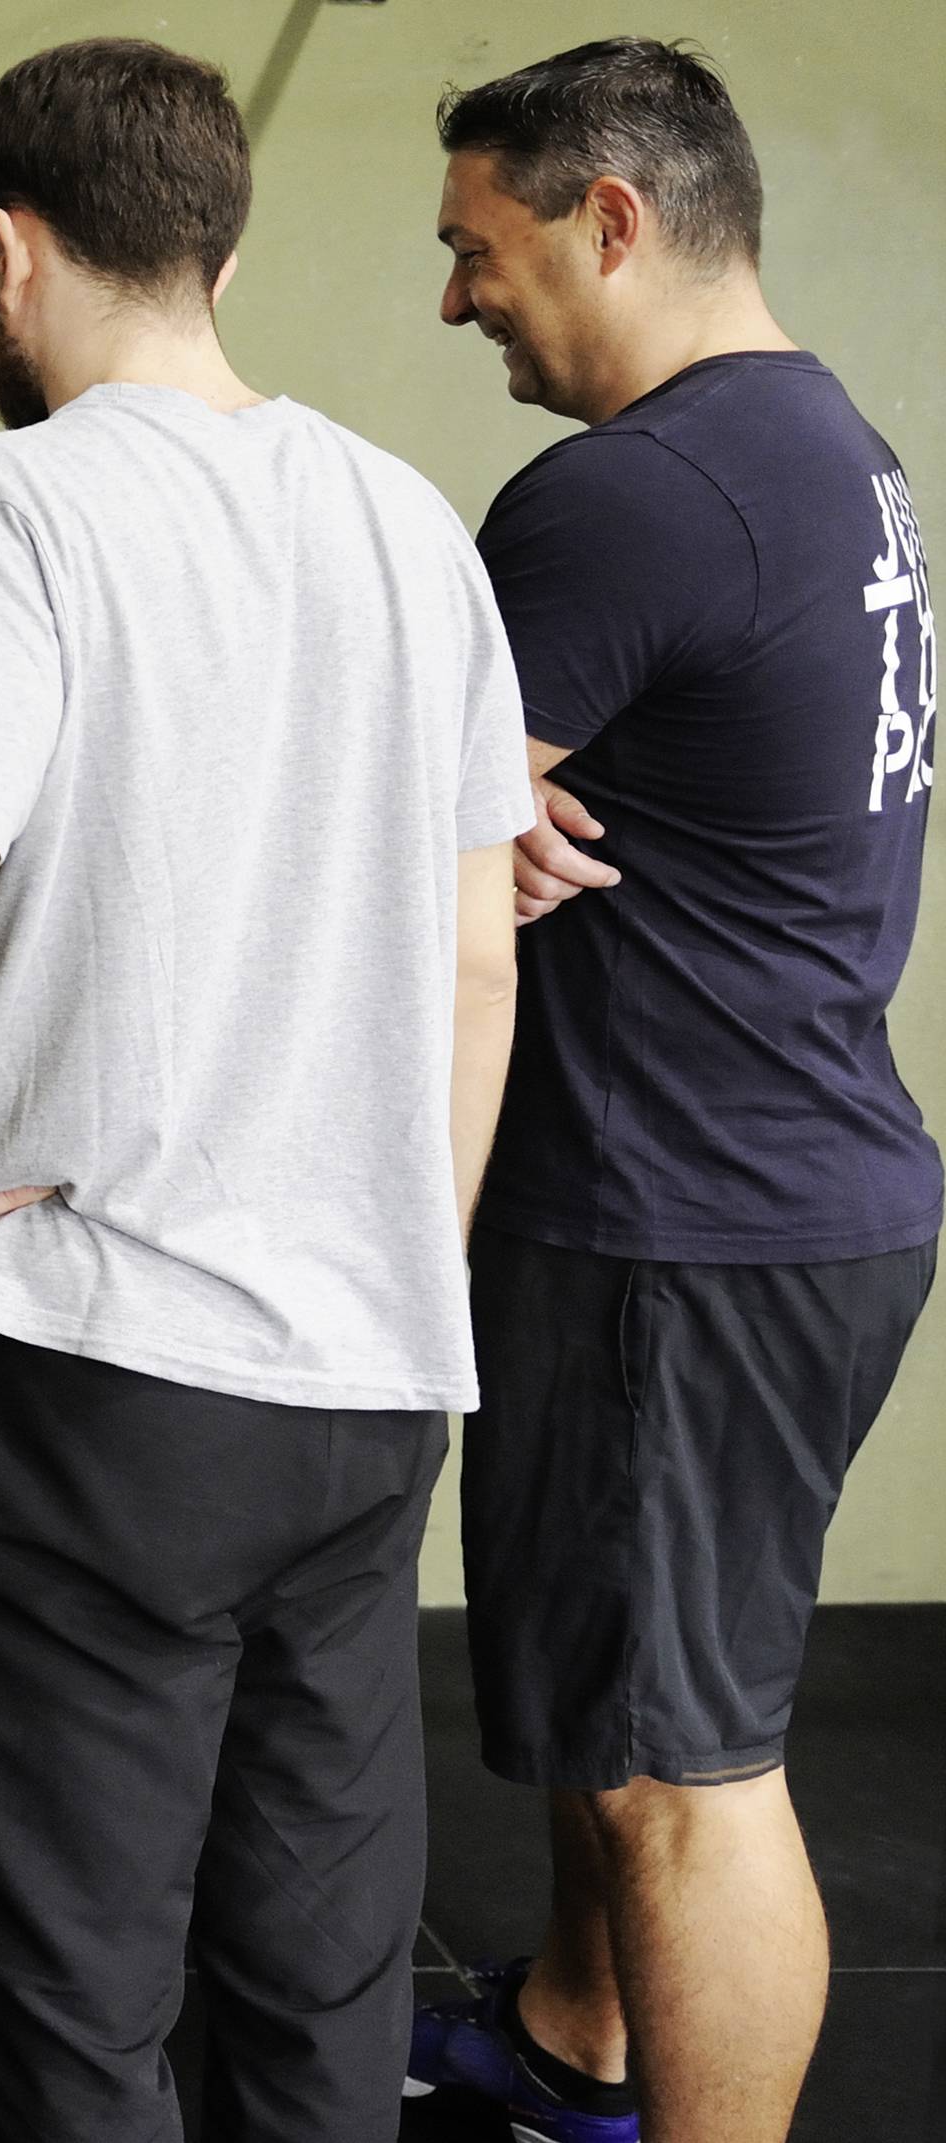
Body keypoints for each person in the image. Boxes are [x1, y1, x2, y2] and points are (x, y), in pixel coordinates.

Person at [0, 39, 528, 2140]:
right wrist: (398, 1247)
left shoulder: (15, 504)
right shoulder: (412, 522)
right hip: (368, 1377)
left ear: (10, 254)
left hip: (83, 1377)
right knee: (324, 1975)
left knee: (72, 1996)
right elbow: (479, 963)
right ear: (212, 237)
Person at [411, 41, 938, 2143]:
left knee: (679, 1775)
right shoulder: (836, 455)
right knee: (617, 1704)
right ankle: (574, 2041)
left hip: (681, 1221)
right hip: (773, 1188)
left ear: (607, 220)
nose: (458, 303)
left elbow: (400, 849)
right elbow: (525, 803)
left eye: (479, 251)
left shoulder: (633, 492)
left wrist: (444, 830)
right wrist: (476, 819)